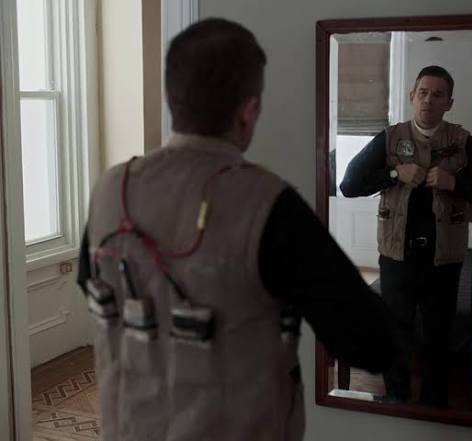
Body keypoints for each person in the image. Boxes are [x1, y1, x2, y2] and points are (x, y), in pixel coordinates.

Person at [77, 18, 399, 441]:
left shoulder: (109, 189)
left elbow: (90, 286)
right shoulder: (270, 204)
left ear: (172, 98)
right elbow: (370, 344)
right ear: (249, 111)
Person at [339, 65, 472, 407]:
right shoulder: (389, 138)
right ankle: (396, 400)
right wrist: (393, 173)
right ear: (412, 97)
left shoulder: (463, 142)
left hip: (444, 258)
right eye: (423, 93)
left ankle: (434, 405)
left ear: (449, 103)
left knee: (438, 335)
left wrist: (454, 183)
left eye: (438, 95)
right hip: (397, 255)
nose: (429, 100)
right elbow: (349, 184)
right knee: (394, 331)